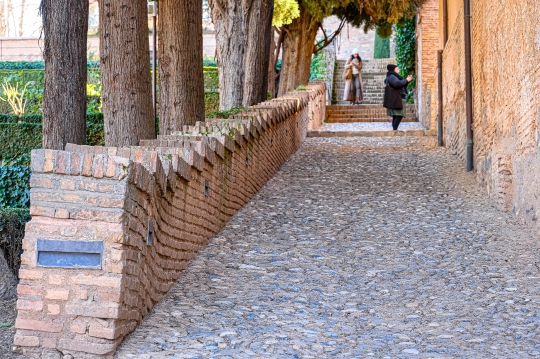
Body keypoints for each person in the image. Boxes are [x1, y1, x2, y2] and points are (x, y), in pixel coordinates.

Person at [383, 64, 413, 130]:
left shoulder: (393, 76)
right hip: (397, 97)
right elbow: (397, 84)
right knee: (399, 114)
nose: (398, 71)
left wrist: (407, 81)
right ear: (393, 70)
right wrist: (406, 80)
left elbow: (401, 85)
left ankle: (394, 129)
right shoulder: (392, 76)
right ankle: (395, 129)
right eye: (397, 69)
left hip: (397, 97)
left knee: (396, 115)